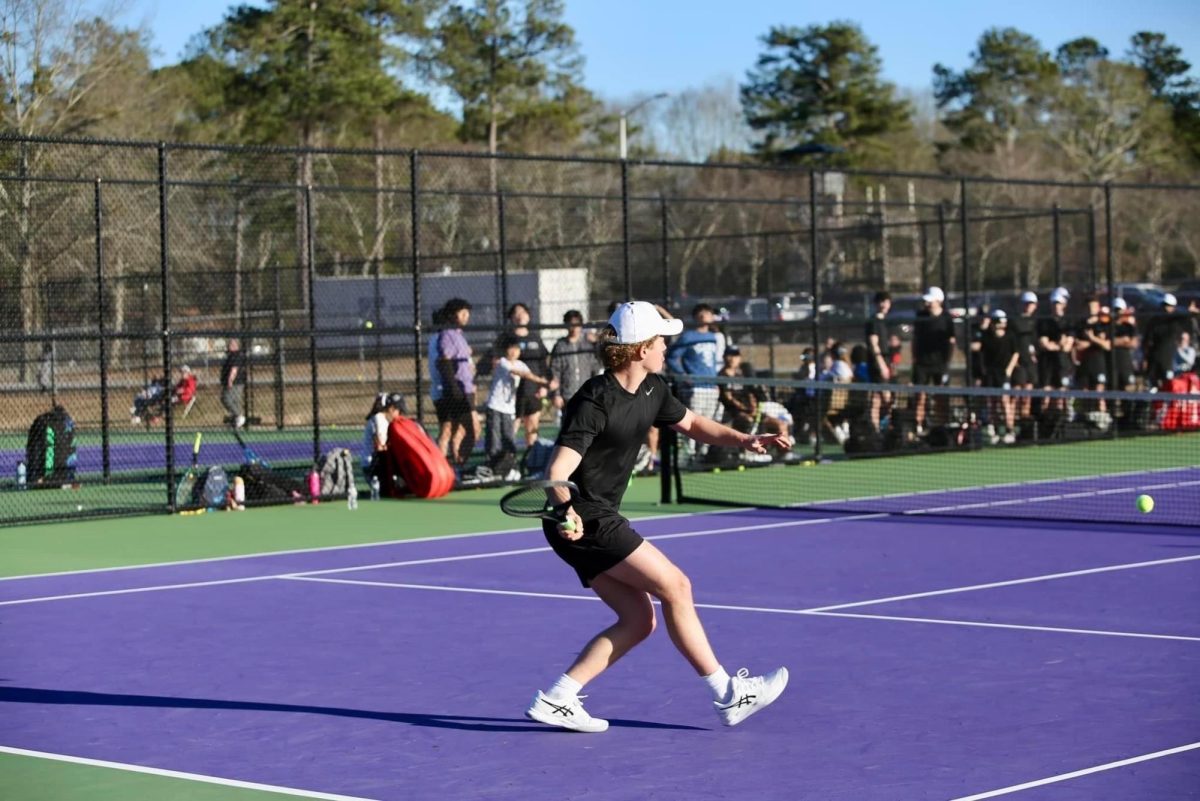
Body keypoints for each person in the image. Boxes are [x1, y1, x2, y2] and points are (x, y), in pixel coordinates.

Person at [525, 301, 790, 733]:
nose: (667, 346)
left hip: (593, 515)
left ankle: (558, 698)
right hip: (582, 516)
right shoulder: (595, 399)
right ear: (640, 348)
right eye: (660, 340)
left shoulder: (654, 389)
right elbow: (557, 473)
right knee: (677, 586)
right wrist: (565, 510)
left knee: (638, 620)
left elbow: (694, 425)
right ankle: (729, 694)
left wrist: (744, 439)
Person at [666, 303, 726, 460]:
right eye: (701, 313)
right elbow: (672, 357)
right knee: (694, 423)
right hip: (695, 388)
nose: (704, 316)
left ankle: (703, 455)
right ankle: (689, 455)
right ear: (695, 317)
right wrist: (684, 376)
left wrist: (716, 383)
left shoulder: (714, 338)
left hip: (711, 387)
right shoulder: (688, 337)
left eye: (708, 313)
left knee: (709, 423)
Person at [486, 334, 551, 468]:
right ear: (505, 351)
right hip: (495, 406)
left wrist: (544, 384)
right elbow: (522, 374)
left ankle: (509, 465)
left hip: (509, 408)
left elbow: (530, 374)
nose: (514, 351)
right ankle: (493, 465)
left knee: (509, 437)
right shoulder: (503, 362)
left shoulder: (521, 364)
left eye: (516, 348)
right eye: (511, 348)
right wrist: (543, 382)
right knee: (495, 437)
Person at [431, 298, 478, 466]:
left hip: (465, 389)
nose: (467, 316)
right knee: (471, 432)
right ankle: (449, 467)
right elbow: (445, 362)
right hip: (457, 391)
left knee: (456, 431)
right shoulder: (447, 335)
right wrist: (453, 388)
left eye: (468, 313)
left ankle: (454, 467)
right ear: (452, 315)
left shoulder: (458, 335)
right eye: (462, 313)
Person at [502, 303, 553, 448]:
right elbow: (498, 361)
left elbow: (544, 364)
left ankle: (531, 460)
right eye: (516, 313)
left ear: (528, 316)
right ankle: (506, 460)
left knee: (532, 428)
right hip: (514, 392)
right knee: (513, 427)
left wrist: (544, 386)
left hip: (534, 391)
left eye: (523, 312)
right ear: (511, 318)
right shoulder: (507, 338)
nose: (520, 315)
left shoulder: (535, 337)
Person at [911, 286, 956, 434]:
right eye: (927, 301)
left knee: (941, 396)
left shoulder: (947, 318)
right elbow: (915, 339)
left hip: (940, 364)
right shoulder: (920, 316)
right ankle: (918, 427)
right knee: (920, 396)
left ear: (939, 301)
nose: (928, 304)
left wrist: (946, 362)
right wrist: (915, 359)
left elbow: (951, 341)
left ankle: (941, 427)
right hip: (922, 364)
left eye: (931, 301)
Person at [979, 309, 1019, 444]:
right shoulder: (987, 336)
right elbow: (982, 352)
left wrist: (1009, 370)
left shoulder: (1010, 336)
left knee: (1004, 400)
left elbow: (1015, 354)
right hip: (991, 374)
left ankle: (1009, 430)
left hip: (1003, 374)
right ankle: (993, 431)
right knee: (992, 402)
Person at [549, 309, 599, 413]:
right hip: (567, 395)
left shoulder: (587, 344)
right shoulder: (560, 346)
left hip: (586, 395)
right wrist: (556, 394)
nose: (574, 328)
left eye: (577, 324)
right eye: (570, 324)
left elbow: (595, 367)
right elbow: (555, 371)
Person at [1036, 288, 1074, 414]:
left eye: (1059, 303)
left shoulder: (1069, 322)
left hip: (1063, 364)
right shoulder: (1044, 322)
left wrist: (1056, 344)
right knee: (1045, 395)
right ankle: (1045, 420)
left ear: (1065, 304)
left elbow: (1067, 346)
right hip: (1047, 364)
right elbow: (1044, 344)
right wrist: (1058, 343)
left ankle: (1062, 420)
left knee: (1061, 396)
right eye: (1054, 303)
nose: (1056, 306)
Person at [1074, 295, 1111, 416]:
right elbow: (1077, 345)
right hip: (1084, 364)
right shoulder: (1080, 325)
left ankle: (1102, 420)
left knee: (1099, 394)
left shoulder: (1102, 324)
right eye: (1089, 307)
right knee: (1084, 394)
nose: (1091, 309)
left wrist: (1091, 339)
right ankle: (1085, 420)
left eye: (1094, 306)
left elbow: (1106, 345)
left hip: (1098, 364)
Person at [362, 392, 405, 491]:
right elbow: (380, 447)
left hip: (374, 465)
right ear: (391, 409)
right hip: (372, 467)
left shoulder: (384, 420)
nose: (400, 414)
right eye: (398, 411)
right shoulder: (379, 419)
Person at [1142, 293, 1187, 387]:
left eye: (1171, 306)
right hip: (1154, 358)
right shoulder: (1154, 321)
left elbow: (1185, 316)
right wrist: (1145, 358)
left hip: (1169, 359)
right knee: (1153, 384)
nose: (1168, 308)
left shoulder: (1175, 321)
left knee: (1169, 384)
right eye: (1166, 305)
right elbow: (1147, 341)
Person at [864, 291, 893, 430]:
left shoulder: (884, 322)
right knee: (884, 397)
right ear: (876, 304)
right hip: (877, 365)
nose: (884, 305)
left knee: (879, 397)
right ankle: (880, 427)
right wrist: (881, 364)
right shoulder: (873, 321)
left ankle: (878, 426)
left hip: (885, 363)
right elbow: (873, 344)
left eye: (887, 301)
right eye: (881, 302)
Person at [1010, 291, 1039, 422]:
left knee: (1027, 397)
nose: (1028, 306)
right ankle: (1012, 424)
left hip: (1030, 364)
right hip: (1018, 363)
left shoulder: (1036, 322)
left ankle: (1025, 423)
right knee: (1015, 396)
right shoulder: (1014, 322)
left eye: (1031, 304)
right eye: (1026, 303)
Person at [220, 338, 247, 429]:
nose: (229, 345)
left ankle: (239, 416)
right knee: (234, 401)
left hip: (236, 383)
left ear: (236, 346)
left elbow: (234, 369)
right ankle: (237, 420)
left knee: (226, 399)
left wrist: (230, 380)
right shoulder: (230, 355)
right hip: (233, 382)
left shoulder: (236, 355)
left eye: (231, 344)